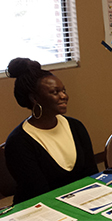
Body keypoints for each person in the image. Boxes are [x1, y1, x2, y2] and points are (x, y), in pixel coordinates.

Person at [4, 58, 97, 204]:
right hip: (38, 209)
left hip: (81, 203)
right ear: (34, 98)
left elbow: (92, 175)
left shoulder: (76, 127)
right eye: (55, 92)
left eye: (63, 90)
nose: (63, 96)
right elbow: (39, 193)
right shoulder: (18, 142)